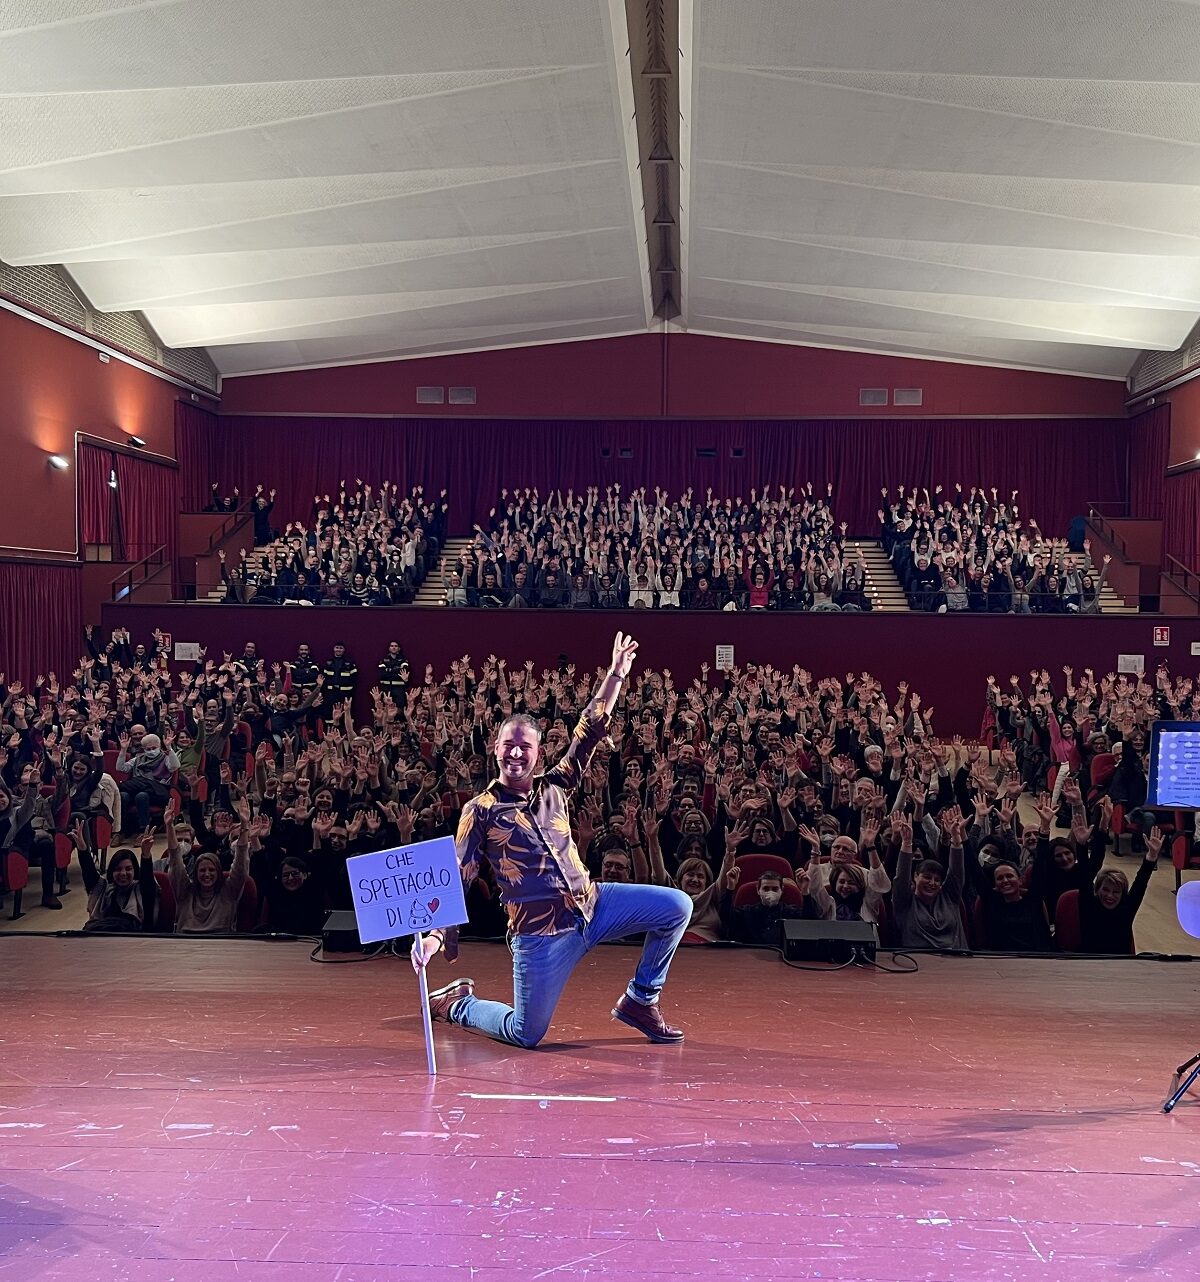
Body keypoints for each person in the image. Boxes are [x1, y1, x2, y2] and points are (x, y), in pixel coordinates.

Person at [410, 632, 693, 1048]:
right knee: (527, 1033)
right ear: (496, 748)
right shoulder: (480, 810)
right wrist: (435, 936)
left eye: (525, 747)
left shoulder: (555, 785)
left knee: (676, 907)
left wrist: (615, 675)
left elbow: (588, 729)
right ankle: (458, 1004)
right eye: (510, 745)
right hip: (540, 934)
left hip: (594, 905)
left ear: (538, 754)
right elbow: (458, 877)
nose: (517, 754)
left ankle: (640, 1000)